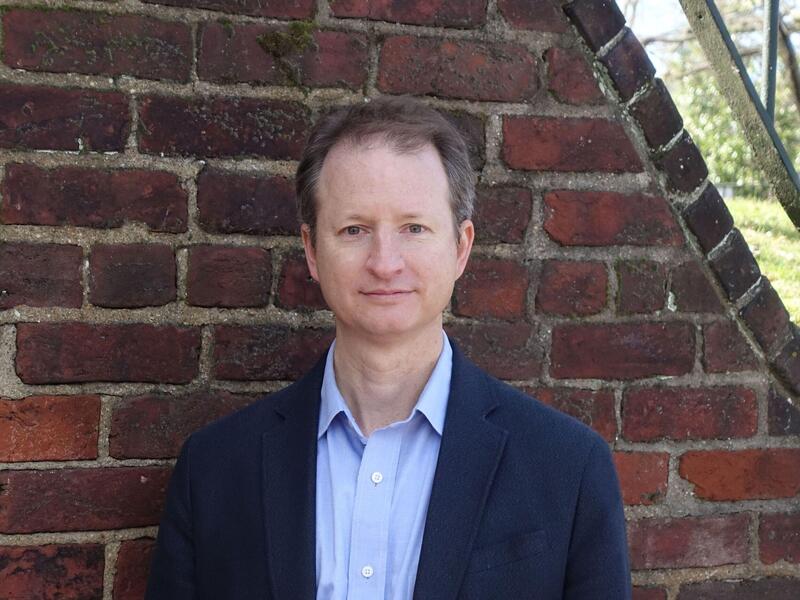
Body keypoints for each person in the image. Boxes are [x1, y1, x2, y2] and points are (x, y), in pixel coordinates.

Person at [146, 96, 631, 599]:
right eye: (354, 230)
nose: (384, 262)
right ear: (312, 250)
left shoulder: (569, 468)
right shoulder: (215, 469)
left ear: (461, 247)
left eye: (413, 228)